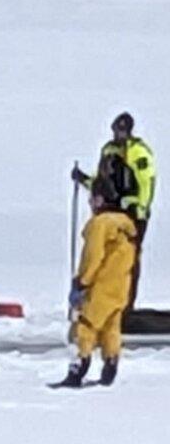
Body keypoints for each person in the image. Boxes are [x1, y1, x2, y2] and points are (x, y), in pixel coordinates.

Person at [55, 177, 138, 388]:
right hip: (120, 287)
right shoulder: (125, 227)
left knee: (84, 327)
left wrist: (81, 282)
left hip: (100, 287)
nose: (90, 203)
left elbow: (93, 256)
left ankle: (77, 370)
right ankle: (110, 367)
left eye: (91, 199)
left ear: (99, 199)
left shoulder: (100, 225)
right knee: (111, 328)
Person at [72, 112, 157, 309]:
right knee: (102, 257)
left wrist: (140, 207)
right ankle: (101, 302)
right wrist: (83, 179)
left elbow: (147, 182)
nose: (119, 134)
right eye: (116, 130)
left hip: (131, 214)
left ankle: (126, 305)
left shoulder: (138, 152)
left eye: (122, 130)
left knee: (127, 259)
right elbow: (101, 181)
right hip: (109, 212)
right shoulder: (108, 150)